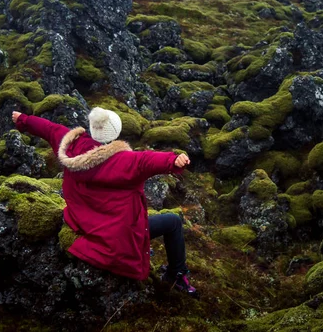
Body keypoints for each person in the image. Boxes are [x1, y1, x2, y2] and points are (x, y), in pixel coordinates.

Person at [11, 107, 197, 297]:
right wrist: (174, 160)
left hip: (83, 223)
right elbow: (148, 160)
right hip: (117, 237)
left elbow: (49, 128)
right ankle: (177, 276)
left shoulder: (71, 146)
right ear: (116, 133)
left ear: (92, 129)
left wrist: (23, 119)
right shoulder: (126, 161)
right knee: (173, 222)